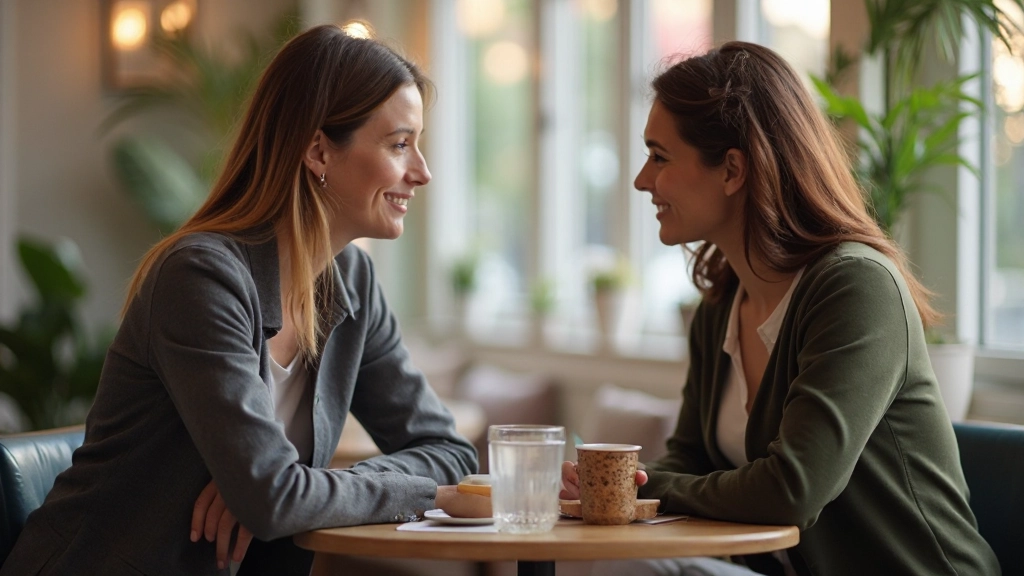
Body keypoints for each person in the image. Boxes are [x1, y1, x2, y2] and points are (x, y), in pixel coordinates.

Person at [1, 25, 483, 576]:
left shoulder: (352, 281)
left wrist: (299, 486)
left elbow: (450, 451)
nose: (422, 172)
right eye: (399, 144)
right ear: (318, 151)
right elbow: (273, 497)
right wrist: (280, 491)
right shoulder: (200, 277)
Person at [560, 41, 999, 576]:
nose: (641, 180)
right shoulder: (718, 308)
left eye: (659, 156)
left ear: (732, 170)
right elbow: (689, 457)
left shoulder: (855, 288)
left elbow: (794, 489)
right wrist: (616, 485)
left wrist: (645, 489)